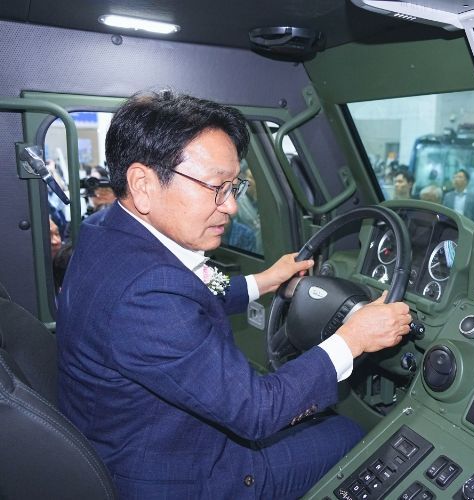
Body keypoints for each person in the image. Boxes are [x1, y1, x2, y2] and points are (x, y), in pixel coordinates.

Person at [56, 90, 412, 499]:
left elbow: (190, 285)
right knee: (351, 435)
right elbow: (257, 412)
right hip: (185, 476)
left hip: (134, 438)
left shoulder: (107, 230)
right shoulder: (148, 293)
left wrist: (265, 280)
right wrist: (353, 339)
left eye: (233, 187)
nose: (230, 207)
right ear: (143, 184)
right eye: (216, 187)